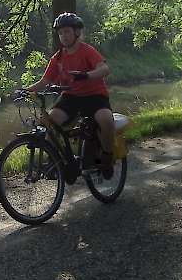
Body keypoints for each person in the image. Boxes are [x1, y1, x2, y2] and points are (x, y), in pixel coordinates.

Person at [22, 12, 116, 175]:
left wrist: (86, 75)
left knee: (105, 119)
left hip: (95, 96)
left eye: (67, 32)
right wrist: (25, 91)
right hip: (71, 97)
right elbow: (44, 82)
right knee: (50, 122)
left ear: (76, 33)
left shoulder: (87, 51)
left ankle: (107, 156)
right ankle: (58, 162)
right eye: (60, 33)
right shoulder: (58, 58)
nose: (63, 36)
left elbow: (104, 69)